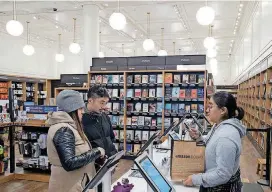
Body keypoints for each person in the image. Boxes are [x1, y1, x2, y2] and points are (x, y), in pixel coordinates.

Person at [184, 91, 246, 192]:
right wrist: (199, 137)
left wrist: (195, 179)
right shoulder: (218, 125)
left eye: (211, 106)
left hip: (221, 188)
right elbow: (212, 143)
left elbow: (223, 174)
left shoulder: (226, 137)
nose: (207, 110)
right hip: (212, 182)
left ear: (222, 110)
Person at [47, 90, 105, 192]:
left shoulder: (70, 127)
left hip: (76, 183)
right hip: (68, 186)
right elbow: (69, 163)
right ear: (72, 109)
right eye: (80, 108)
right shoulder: (63, 130)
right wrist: (97, 152)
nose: (83, 111)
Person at [82, 85, 117, 191]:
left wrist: (113, 157)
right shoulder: (81, 120)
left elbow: (111, 138)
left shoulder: (104, 116)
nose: (105, 106)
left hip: (107, 166)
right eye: (102, 102)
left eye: (106, 103)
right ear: (90, 100)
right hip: (91, 169)